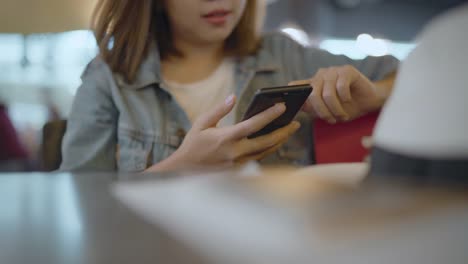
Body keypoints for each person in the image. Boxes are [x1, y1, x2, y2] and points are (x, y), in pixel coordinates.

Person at [60, 0, 398, 172]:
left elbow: (417, 74)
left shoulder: (283, 54)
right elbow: (79, 201)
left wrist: (375, 94)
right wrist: (177, 170)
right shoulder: (109, 77)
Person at [369, 4, 468, 181]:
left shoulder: (443, 31)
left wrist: (377, 92)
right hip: (394, 158)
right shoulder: (445, 32)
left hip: (392, 161)